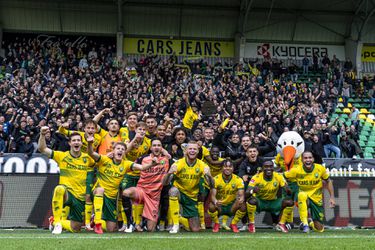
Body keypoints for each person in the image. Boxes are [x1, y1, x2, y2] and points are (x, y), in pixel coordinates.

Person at [86, 135, 158, 234]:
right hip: (99, 193)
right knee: (100, 190)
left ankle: (95, 219)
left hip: (112, 197)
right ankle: (97, 223)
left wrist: (151, 164)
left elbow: (141, 167)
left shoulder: (126, 164)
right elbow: (91, 153)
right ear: (113, 150)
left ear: (125, 152)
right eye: (118, 148)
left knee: (111, 229)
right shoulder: (104, 159)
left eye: (123, 149)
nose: (120, 150)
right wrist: (90, 143)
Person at [38, 126, 95, 234]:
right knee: (59, 189)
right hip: (67, 193)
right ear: (70, 143)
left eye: (79, 140)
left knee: (76, 228)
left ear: (82, 144)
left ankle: (54, 221)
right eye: (74, 140)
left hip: (80, 196)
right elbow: (42, 149)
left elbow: (99, 162)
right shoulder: (61, 156)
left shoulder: (87, 158)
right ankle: (58, 223)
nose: (76, 142)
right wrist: (42, 134)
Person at [58, 119, 102, 229]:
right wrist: (63, 126)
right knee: (70, 191)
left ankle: (87, 223)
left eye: (93, 128)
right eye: (88, 128)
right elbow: (62, 131)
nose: (91, 130)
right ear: (84, 129)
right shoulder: (79, 136)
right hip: (77, 166)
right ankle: (60, 221)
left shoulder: (99, 138)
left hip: (89, 168)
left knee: (87, 195)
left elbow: (95, 154)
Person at [162, 141, 213, 233]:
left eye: (195, 149)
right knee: (173, 191)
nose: (192, 151)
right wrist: (169, 172)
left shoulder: (202, 165)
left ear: (198, 151)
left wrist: (209, 175)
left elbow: (212, 185)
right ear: (185, 151)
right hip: (180, 193)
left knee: (195, 229)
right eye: (190, 149)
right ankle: (176, 224)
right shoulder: (178, 164)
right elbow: (165, 183)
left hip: (192, 197)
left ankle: (179, 218)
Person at [122, 139, 170, 232]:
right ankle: (130, 222)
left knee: (150, 229)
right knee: (126, 193)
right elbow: (127, 162)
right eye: (154, 145)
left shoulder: (167, 160)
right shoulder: (143, 159)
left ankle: (143, 222)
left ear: (161, 148)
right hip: (142, 190)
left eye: (159, 145)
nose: (156, 147)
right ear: (151, 148)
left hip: (154, 196)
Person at [284, 151, 336, 233]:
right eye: (305, 158)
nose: (308, 160)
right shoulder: (296, 170)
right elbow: (282, 176)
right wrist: (286, 187)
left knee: (319, 229)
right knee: (302, 195)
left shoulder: (320, 168)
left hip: (316, 199)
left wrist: (332, 198)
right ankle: (305, 224)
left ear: (313, 159)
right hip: (303, 197)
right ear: (301, 160)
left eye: (310, 158)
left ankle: (310, 223)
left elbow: (328, 181)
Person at [246, 161, 294, 233]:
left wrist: (288, 190)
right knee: (251, 201)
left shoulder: (278, 176)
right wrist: (253, 191)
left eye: (270, 166)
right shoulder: (256, 177)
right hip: (260, 202)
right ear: (262, 168)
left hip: (273, 202)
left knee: (289, 202)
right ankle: (251, 224)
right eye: (266, 167)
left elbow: (289, 192)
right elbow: (246, 193)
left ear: (273, 168)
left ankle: (281, 224)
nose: (268, 168)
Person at [208, 159, 246, 233]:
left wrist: (241, 198)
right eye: (225, 166)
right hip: (220, 206)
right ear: (221, 168)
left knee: (243, 205)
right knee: (211, 206)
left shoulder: (238, 179)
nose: (227, 168)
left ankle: (233, 223)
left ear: (233, 168)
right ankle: (216, 223)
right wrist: (216, 201)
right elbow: (212, 196)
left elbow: (241, 194)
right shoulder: (215, 179)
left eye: (230, 166)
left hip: (232, 206)